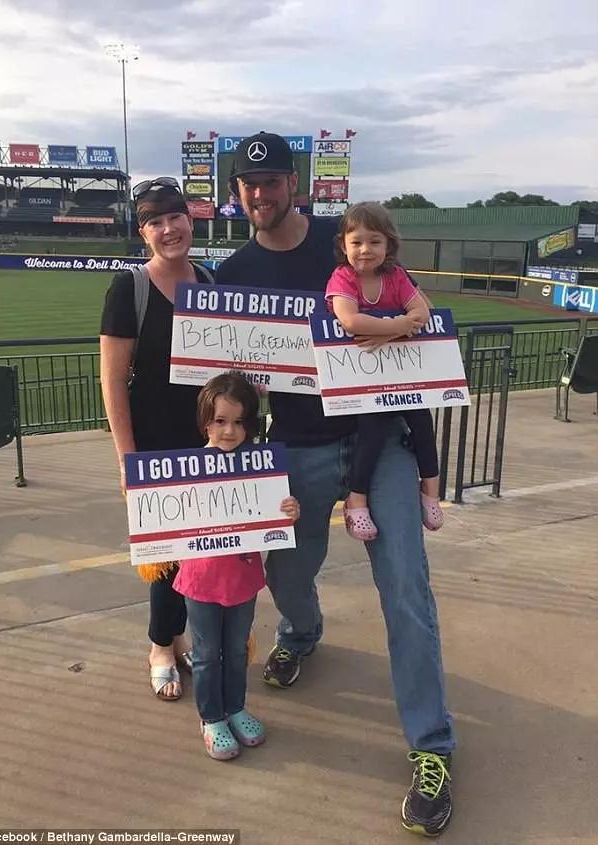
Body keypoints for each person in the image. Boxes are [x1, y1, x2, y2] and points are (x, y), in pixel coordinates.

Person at [215, 133, 455, 836]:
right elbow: (228, 371)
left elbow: (409, 292)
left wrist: (417, 318)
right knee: (286, 576)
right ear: (238, 193)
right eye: (248, 185)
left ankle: (432, 746)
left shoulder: (344, 240)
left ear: (294, 183)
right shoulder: (233, 269)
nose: (260, 194)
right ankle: (302, 631)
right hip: (297, 444)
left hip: (379, 439)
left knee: (407, 588)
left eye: (272, 181)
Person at [100, 177, 211, 702]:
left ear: (191, 219)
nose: (169, 229)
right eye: (155, 221)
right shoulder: (131, 288)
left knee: (200, 549)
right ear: (143, 231)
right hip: (153, 443)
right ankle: (159, 644)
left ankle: (179, 632)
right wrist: (127, 459)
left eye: (175, 217)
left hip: (210, 441)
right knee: (165, 554)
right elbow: (113, 381)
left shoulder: (211, 281)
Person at [175, 372, 300, 760]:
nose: (229, 431)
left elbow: (274, 514)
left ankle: (235, 707)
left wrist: (289, 512)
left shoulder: (262, 467)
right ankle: (211, 716)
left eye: (239, 422)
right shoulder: (187, 468)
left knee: (236, 648)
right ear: (205, 422)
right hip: (202, 579)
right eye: (220, 421)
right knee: (208, 652)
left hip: (243, 579)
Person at [325, 202, 444, 541]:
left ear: (388, 245)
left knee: (423, 424)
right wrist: (401, 325)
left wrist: (392, 331)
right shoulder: (343, 277)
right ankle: (357, 500)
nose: (365, 250)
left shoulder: (395, 276)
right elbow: (349, 320)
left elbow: (423, 311)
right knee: (372, 433)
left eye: (374, 241)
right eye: (357, 241)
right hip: (363, 381)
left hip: (401, 376)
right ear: (343, 245)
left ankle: (430, 492)